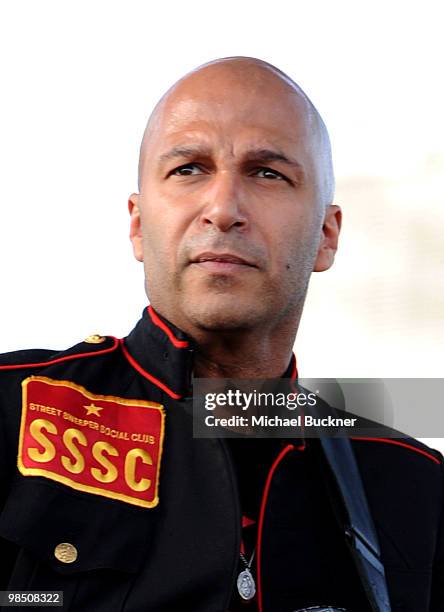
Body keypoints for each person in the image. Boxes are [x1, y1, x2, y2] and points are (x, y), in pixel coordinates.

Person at [0, 57, 442, 612]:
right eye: (188, 169)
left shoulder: (413, 483)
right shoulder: (15, 412)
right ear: (138, 224)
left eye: (267, 173)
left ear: (327, 235)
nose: (223, 208)